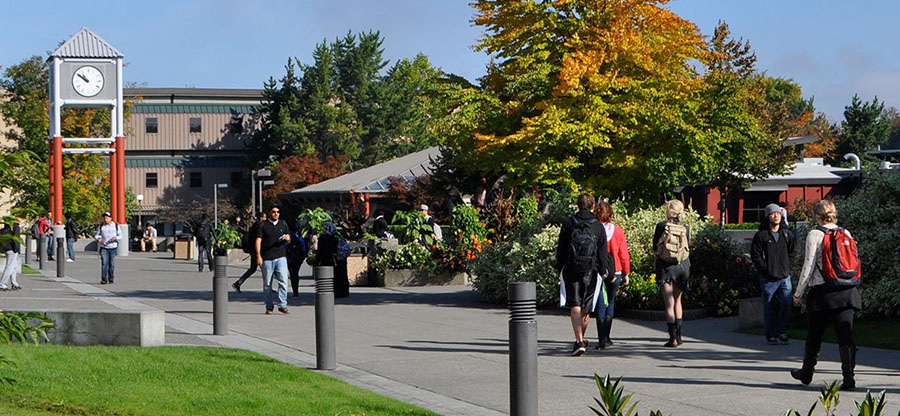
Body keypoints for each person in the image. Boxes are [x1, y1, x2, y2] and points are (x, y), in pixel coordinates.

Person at [791, 200, 861, 391]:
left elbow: (808, 265)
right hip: (847, 291)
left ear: (817, 216)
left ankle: (806, 372)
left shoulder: (815, 234)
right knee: (846, 336)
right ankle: (849, 379)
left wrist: (798, 293)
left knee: (815, 334)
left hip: (822, 292)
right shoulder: (845, 233)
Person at [555, 194, 609, 356]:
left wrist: (560, 267)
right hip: (590, 269)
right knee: (586, 306)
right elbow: (602, 251)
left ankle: (579, 340)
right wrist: (602, 270)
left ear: (578, 205)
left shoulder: (569, 223)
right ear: (593, 206)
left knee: (575, 304)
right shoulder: (598, 226)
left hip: (571, 268)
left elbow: (561, 248)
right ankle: (580, 339)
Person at [751, 203, 795, 345]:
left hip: (784, 277)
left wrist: (788, 268)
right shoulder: (761, 235)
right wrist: (766, 270)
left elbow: (792, 253)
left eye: (777, 213)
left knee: (786, 305)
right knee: (769, 306)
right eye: (772, 214)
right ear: (767, 216)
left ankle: (783, 332)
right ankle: (771, 334)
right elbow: (756, 256)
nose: (775, 216)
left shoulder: (787, 234)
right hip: (768, 278)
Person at [653, 199, 691, 348]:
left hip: (665, 267)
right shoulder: (685, 227)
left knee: (669, 303)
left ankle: (672, 338)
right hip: (682, 266)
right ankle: (680, 336)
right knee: (678, 301)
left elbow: (654, 247)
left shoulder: (662, 226)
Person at [593, 201, 630, 350]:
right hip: (615, 271)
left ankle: (601, 338)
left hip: (598, 271)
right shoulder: (618, 231)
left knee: (600, 304)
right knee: (611, 303)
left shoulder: (594, 229)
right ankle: (607, 337)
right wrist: (626, 272)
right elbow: (623, 254)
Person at [256, 204, 291, 314]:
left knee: (283, 281)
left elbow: (289, 238)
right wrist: (258, 256)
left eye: (278, 212)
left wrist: (287, 238)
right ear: (269, 213)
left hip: (281, 257)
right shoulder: (263, 225)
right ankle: (269, 306)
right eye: (273, 211)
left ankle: (282, 305)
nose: (276, 214)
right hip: (267, 258)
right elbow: (258, 241)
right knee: (267, 284)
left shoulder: (283, 224)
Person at [315, 221, 350, 298]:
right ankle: (343, 292)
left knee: (329, 277)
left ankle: (331, 292)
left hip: (327, 260)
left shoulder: (322, 238)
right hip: (339, 260)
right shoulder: (337, 236)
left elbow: (319, 251)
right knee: (341, 276)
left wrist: (317, 263)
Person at [233, 212, 265, 293]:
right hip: (257, 251)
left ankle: (238, 283)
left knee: (253, 269)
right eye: (264, 217)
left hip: (252, 250)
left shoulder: (254, 226)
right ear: (261, 218)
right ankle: (267, 287)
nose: (266, 218)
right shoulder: (260, 226)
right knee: (265, 269)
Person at [94, 212, 121, 284]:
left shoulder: (115, 226)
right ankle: (104, 279)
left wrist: (116, 238)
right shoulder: (102, 226)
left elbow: (121, 236)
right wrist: (98, 239)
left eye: (107, 218)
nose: (105, 219)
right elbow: (97, 235)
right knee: (104, 263)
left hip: (113, 247)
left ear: (110, 218)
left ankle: (111, 278)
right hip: (104, 247)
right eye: (104, 218)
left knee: (111, 264)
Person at [286, 216, 308, 298]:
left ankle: (295, 290)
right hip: (298, 258)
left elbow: (285, 247)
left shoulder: (289, 237)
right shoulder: (300, 238)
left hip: (290, 258)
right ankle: (296, 291)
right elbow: (303, 249)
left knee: (292, 274)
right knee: (296, 273)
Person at [0, 220, 22, 291]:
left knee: (14, 266)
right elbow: (15, 238)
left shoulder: (6, 227)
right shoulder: (15, 226)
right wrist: (16, 249)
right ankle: (2, 284)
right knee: (9, 267)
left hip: (7, 248)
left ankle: (14, 283)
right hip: (12, 249)